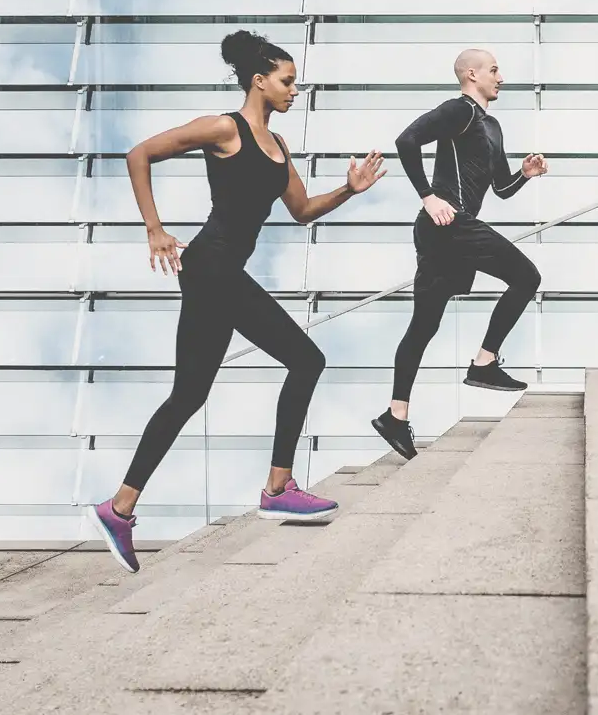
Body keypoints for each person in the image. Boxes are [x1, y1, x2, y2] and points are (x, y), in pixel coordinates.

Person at [87, 30, 387, 574]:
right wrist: (154, 229)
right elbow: (140, 154)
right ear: (259, 81)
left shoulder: (277, 148)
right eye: (288, 81)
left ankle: (119, 508)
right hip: (210, 269)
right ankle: (278, 486)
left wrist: (349, 189)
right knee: (306, 360)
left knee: (188, 395)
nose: (296, 90)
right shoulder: (225, 128)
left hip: (221, 274)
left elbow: (301, 209)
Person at [371, 49, 548, 461]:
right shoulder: (460, 110)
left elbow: (501, 189)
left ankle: (395, 416)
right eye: (494, 69)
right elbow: (406, 141)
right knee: (526, 277)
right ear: (472, 74)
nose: (501, 76)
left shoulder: (494, 126)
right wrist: (428, 196)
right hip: (447, 224)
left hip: (452, 229)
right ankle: (484, 363)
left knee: (425, 325)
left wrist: (525, 174)